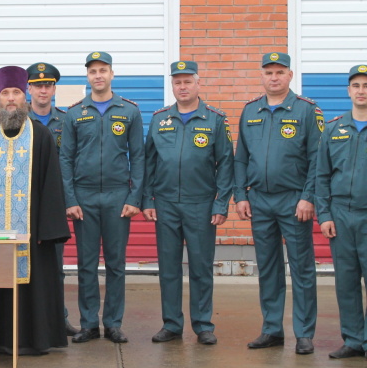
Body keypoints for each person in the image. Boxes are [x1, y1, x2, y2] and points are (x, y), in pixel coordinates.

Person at [0, 65, 70, 356]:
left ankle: (33, 340)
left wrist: (48, 229)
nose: (11, 99)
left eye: (16, 93)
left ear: (26, 97)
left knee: (34, 285)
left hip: (32, 236)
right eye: (5, 93)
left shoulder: (41, 136)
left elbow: (52, 186)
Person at [234, 52, 322, 355]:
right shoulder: (250, 111)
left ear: (290, 75)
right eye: (269, 72)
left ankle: (304, 333)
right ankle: (272, 329)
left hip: (293, 201)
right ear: (261, 75)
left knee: (301, 267)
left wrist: (307, 197)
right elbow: (241, 158)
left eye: (280, 72)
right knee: (268, 267)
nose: (274, 77)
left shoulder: (306, 111)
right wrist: (241, 196)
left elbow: (317, 160)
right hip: (259, 201)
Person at [143, 60, 233, 345]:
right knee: (168, 268)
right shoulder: (160, 119)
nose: (182, 87)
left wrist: (221, 204)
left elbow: (227, 164)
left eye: (187, 81)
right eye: (177, 82)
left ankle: (203, 324)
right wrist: (148, 199)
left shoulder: (215, 120)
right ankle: (171, 324)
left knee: (201, 267)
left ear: (198, 83)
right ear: (172, 85)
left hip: (201, 205)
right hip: (166, 204)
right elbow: (149, 163)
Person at [60, 52, 144, 344]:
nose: (98, 75)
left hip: (117, 196)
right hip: (83, 198)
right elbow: (66, 159)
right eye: (93, 71)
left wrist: (134, 197)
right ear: (87, 76)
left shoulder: (129, 111)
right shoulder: (75, 113)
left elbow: (139, 158)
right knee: (85, 263)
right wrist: (70, 199)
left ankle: (113, 323)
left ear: (112, 74)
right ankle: (88, 324)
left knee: (116, 264)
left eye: (103, 70)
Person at [316, 64, 367, 359]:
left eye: (366, 85)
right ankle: (353, 340)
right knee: (346, 281)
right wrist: (325, 215)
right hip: (341, 216)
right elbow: (321, 175)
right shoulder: (334, 129)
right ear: (348, 91)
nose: (362, 91)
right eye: (356, 86)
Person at [26, 62, 78, 337]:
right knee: (24, 262)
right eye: (37, 85)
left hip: (54, 201)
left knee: (56, 266)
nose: (43, 90)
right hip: (23, 201)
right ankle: (27, 317)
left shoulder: (66, 120)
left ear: (54, 88)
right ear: (29, 88)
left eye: (48, 85)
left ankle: (59, 318)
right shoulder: (19, 120)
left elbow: (72, 161)